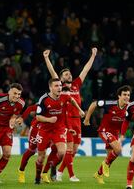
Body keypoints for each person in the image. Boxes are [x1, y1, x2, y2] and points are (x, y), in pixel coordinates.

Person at [43, 47, 97, 181]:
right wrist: (46, 58)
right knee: (69, 148)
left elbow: (85, 69)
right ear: (60, 78)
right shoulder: (59, 87)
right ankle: (72, 175)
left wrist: (93, 56)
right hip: (65, 121)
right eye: (66, 75)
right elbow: (52, 72)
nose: (69, 76)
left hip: (77, 120)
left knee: (75, 150)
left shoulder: (76, 85)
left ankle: (59, 172)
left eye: (70, 74)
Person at [34, 78, 85, 184]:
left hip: (59, 129)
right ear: (50, 87)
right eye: (56, 86)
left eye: (60, 86)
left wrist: (79, 110)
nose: (59, 88)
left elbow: (72, 100)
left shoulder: (64, 96)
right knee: (41, 157)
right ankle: (38, 176)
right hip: (45, 130)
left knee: (62, 152)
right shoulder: (43, 99)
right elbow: (38, 117)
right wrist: (49, 119)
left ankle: (53, 166)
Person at [83, 85, 131, 184]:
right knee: (118, 150)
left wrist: (122, 135)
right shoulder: (110, 104)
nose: (127, 97)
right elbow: (94, 104)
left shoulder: (129, 108)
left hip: (115, 133)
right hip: (104, 131)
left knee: (110, 157)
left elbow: (128, 121)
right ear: (119, 96)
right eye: (124, 94)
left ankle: (98, 174)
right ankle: (104, 164)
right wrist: (87, 119)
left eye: (128, 95)